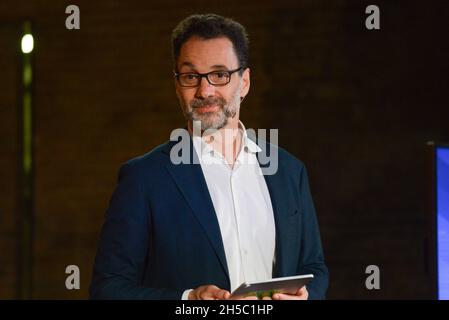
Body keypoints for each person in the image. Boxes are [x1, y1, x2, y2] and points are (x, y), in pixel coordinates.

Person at [90, 13, 328, 300]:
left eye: (219, 75)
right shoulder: (143, 179)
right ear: (177, 85)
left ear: (245, 82)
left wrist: (306, 297)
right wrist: (188, 301)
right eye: (191, 76)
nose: (205, 90)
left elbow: (315, 268)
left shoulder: (289, 171)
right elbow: (108, 289)